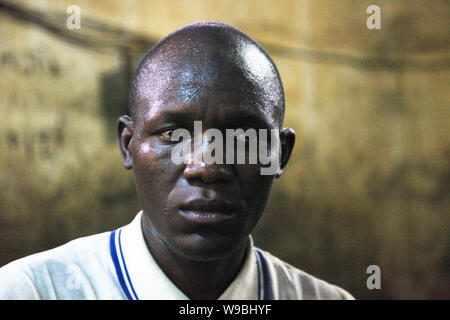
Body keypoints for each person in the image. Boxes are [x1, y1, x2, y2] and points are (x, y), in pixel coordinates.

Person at [0, 22, 353, 300]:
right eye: (173, 135)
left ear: (279, 153)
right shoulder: (31, 291)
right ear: (128, 145)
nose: (208, 167)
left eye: (243, 138)